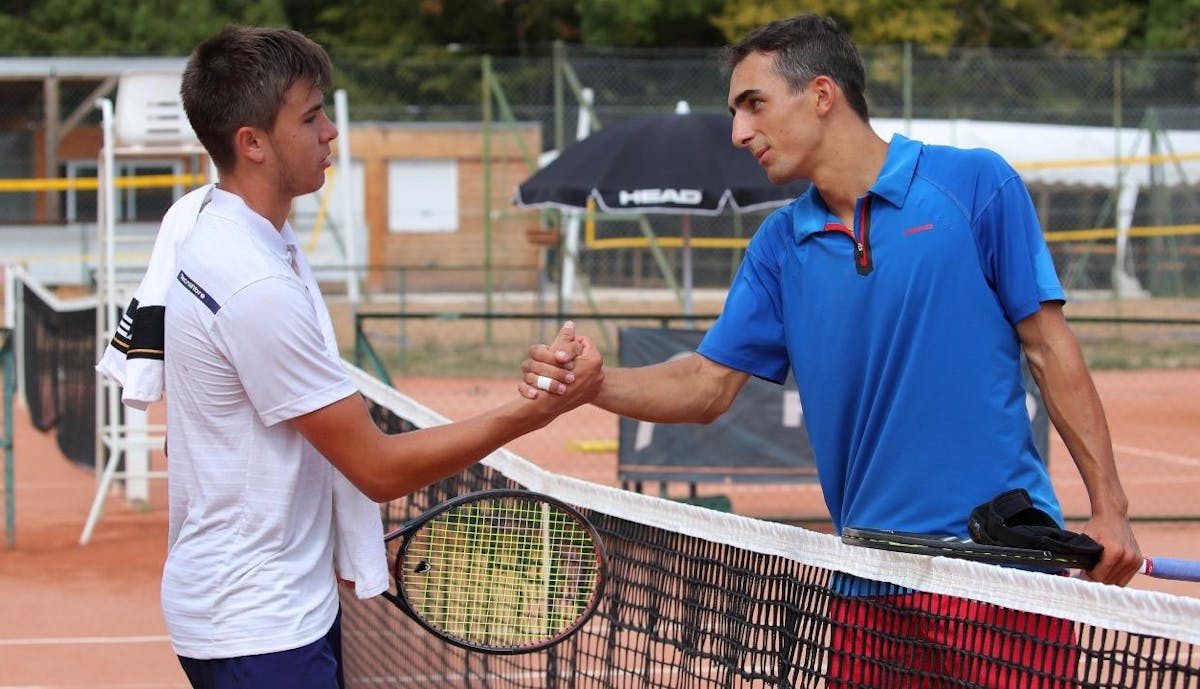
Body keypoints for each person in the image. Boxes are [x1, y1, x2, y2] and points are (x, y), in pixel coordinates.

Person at [520, 13, 1142, 687]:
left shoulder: (974, 185)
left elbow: (1051, 348)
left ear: (821, 95)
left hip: (1001, 574)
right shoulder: (777, 247)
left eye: (753, 104)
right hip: (867, 580)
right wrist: (596, 385)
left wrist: (1110, 509)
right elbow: (704, 385)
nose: (738, 132)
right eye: (734, 111)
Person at [164, 26, 601, 689]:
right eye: (311, 118)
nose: (330, 133)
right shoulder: (253, 281)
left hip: (247, 605)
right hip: (260, 622)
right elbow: (376, 467)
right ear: (251, 143)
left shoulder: (229, 237)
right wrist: (529, 414)